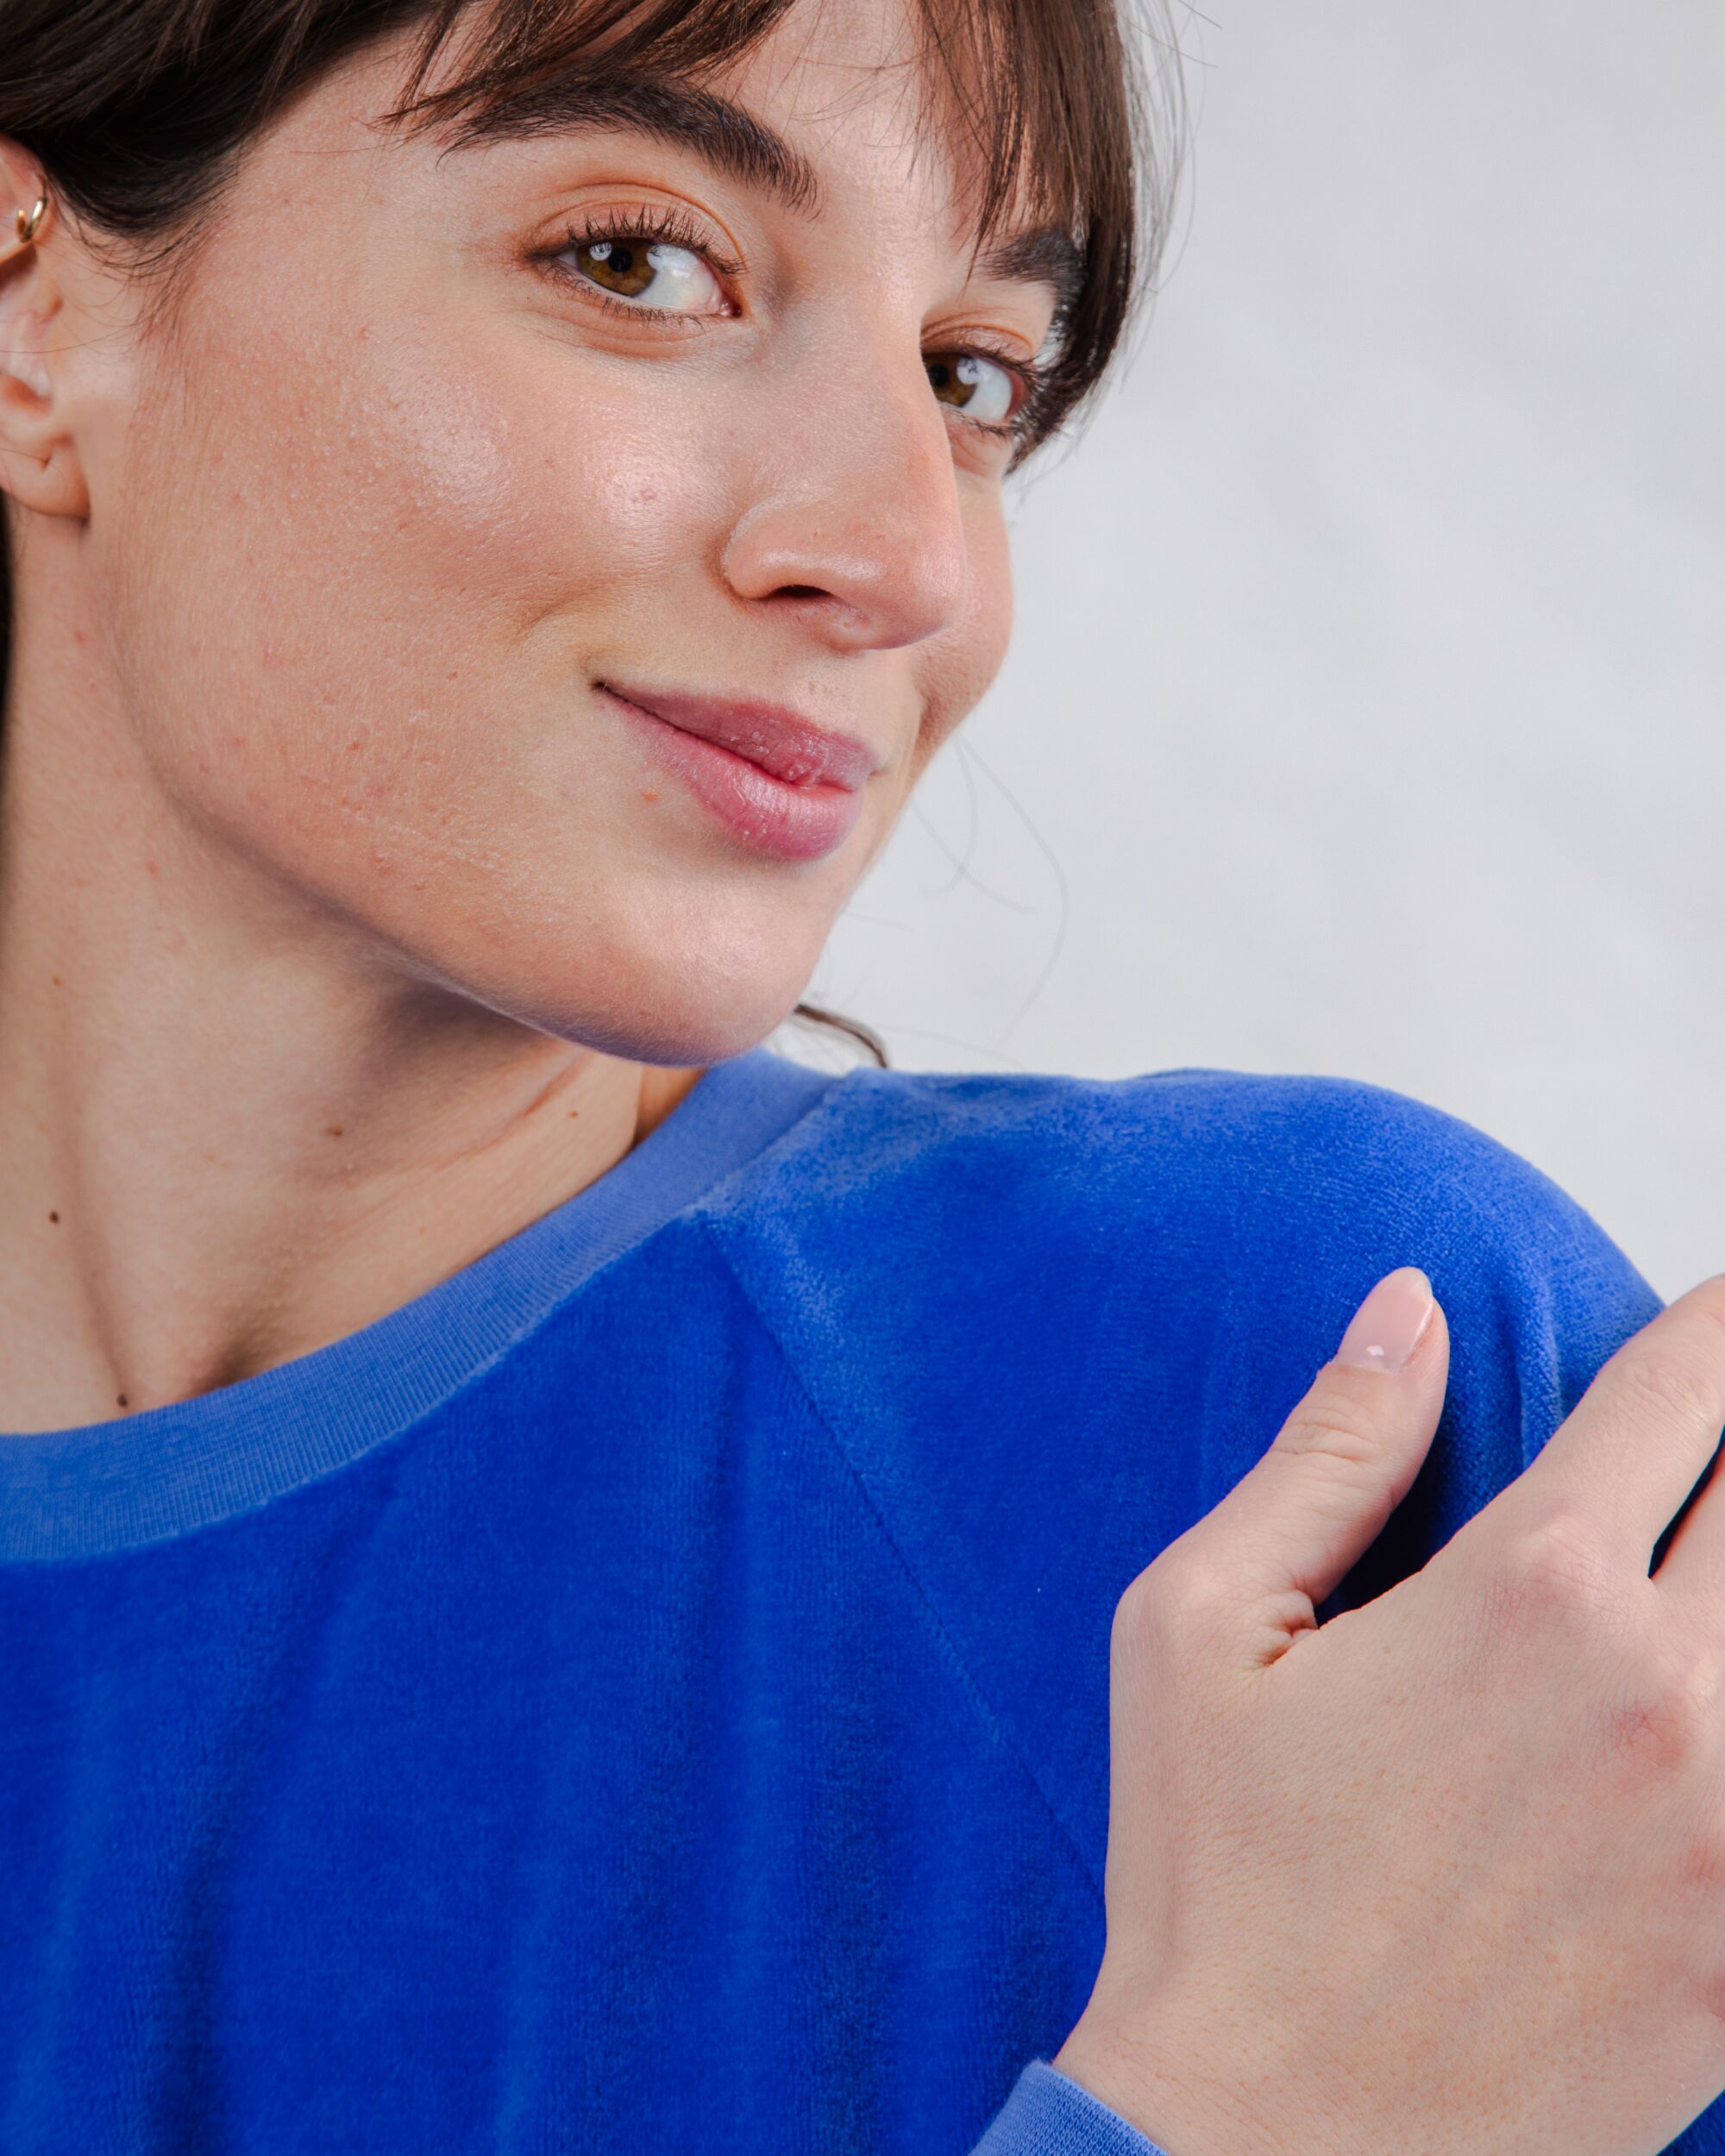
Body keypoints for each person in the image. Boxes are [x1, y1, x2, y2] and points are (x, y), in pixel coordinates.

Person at [3, 2, 1725, 2152]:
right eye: (640, 262)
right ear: (37, 314)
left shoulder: (1317, 1396)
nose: (913, 562)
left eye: (970, 375)